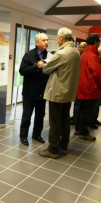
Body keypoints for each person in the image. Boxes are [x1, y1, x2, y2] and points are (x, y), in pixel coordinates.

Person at [38, 28, 81, 159]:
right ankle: (64, 146)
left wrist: (42, 64)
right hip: (68, 93)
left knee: (55, 121)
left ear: (62, 38)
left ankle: (53, 149)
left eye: (57, 38)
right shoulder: (76, 52)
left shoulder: (62, 53)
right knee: (65, 120)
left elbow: (46, 69)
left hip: (58, 93)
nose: (56, 40)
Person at [19, 33, 53, 146]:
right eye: (43, 40)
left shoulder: (50, 56)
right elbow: (22, 71)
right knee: (27, 116)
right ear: (37, 42)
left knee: (40, 115)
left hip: (42, 92)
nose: (46, 42)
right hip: (30, 92)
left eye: (47, 40)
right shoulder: (28, 55)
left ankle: (36, 134)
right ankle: (23, 136)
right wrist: (36, 66)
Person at [75, 34, 101, 141]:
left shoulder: (84, 54)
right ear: (96, 42)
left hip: (82, 85)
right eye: (99, 42)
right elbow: (97, 72)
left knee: (81, 108)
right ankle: (84, 133)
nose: (99, 44)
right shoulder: (92, 55)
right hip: (90, 86)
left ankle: (78, 129)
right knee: (86, 110)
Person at [70, 42, 87, 125]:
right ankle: (74, 116)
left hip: (80, 84)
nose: (78, 48)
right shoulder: (78, 56)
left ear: (85, 48)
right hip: (76, 83)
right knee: (77, 102)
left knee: (78, 103)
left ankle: (76, 118)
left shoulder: (83, 57)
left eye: (80, 47)